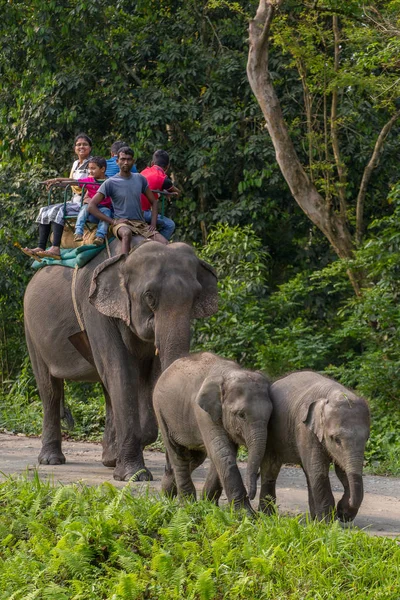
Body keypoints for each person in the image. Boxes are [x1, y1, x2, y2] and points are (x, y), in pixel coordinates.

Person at [22, 133, 93, 259]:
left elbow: (85, 183)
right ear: (74, 148)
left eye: (85, 144)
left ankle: (56, 247)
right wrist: (56, 183)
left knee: (59, 210)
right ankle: (41, 246)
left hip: (84, 201)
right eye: (78, 144)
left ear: (90, 148)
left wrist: (58, 179)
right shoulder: (76, 163)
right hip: (73, 199)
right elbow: (71, 182)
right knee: (44, 210)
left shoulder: (92, 164)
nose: (81, 147)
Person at [88, 146, 168, 254]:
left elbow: (154, 201)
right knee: (126, 233)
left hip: (141, 224)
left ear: (133, 161)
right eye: (123, 159)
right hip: (122, 224)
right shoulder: (110, 182)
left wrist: (153, 224)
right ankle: (123, 263)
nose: (126, 162)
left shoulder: (140, 178)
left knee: (165, 243)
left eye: (129, 159)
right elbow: (91, 206)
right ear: (117, 161)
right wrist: (113, 221)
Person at [140, 149, 179, 241]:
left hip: (132, 209)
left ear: (152, 163)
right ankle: (159, 245)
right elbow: (177, 192)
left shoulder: (144, 172)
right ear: (167, 166)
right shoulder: (163, 179)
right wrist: (171, 192)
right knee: (170, 225)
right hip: (143, 212)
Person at [73, 157, 113, 246]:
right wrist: (57, 180)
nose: (90, 171)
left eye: (93, 168)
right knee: (84, 208)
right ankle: (78, 231)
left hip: (102, 210)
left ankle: (100, 236)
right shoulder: (90, 180)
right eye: (89, 168)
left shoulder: (110, 182)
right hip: (90, 211)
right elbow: (74, 181)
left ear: (102, 169)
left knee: (107, 212)